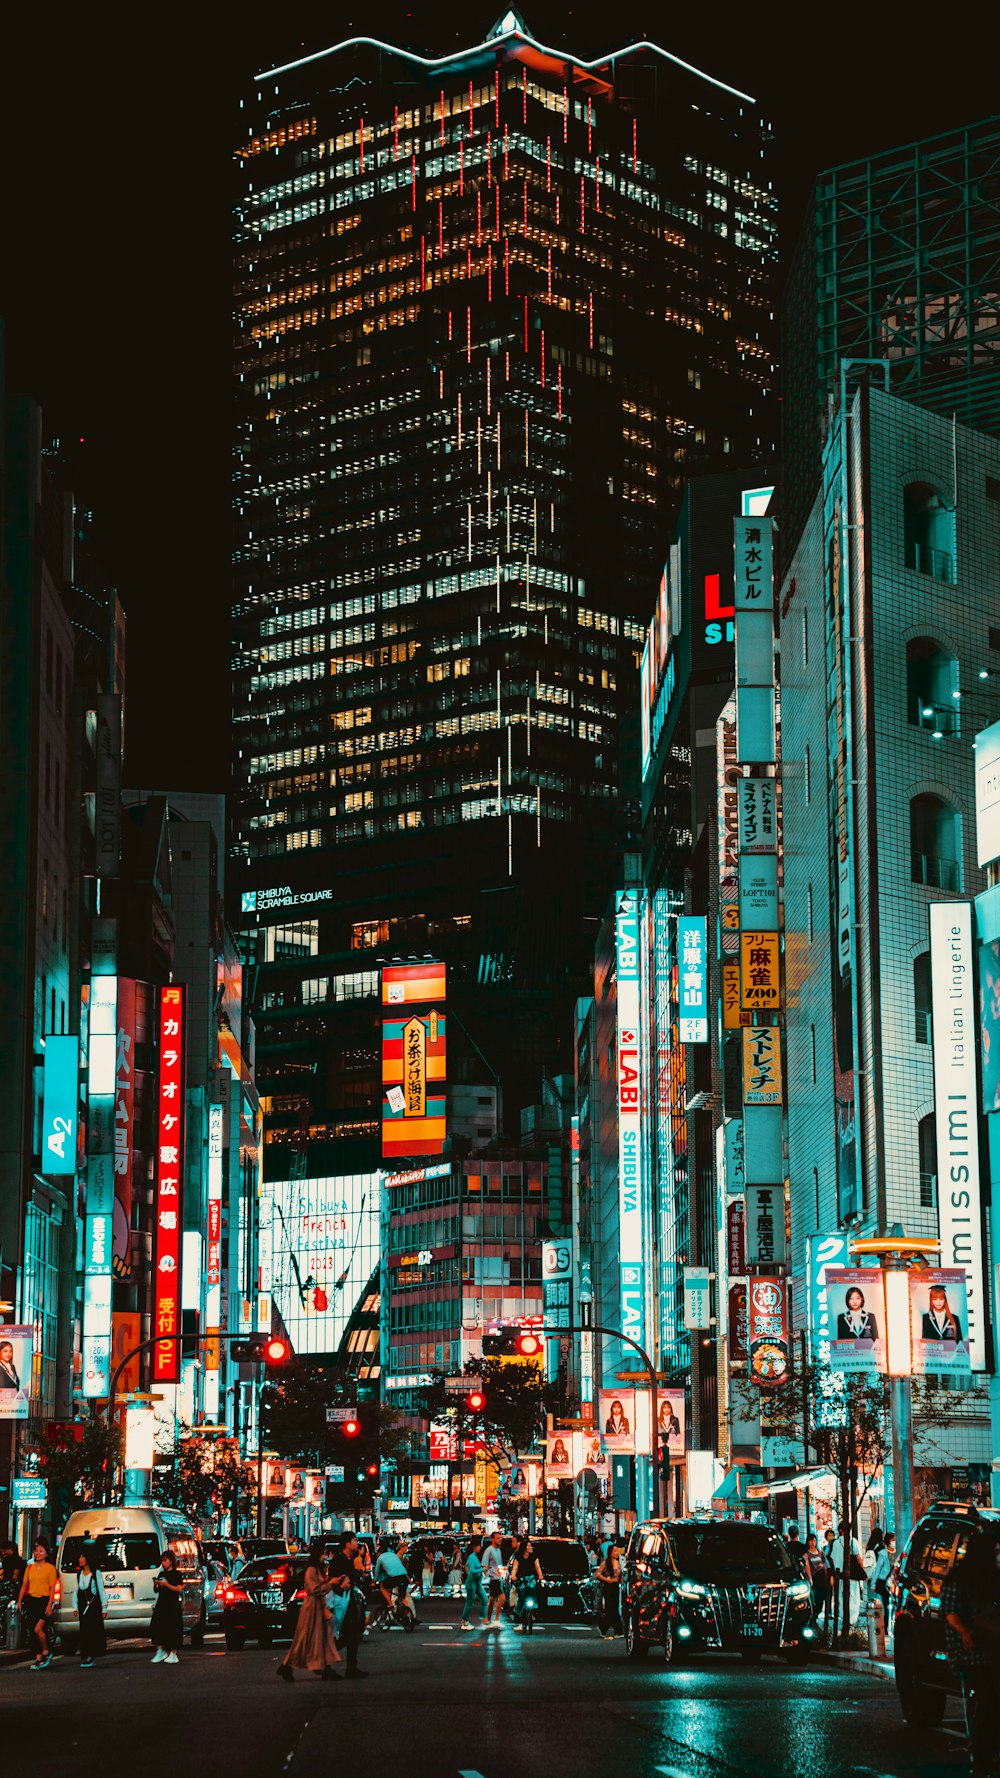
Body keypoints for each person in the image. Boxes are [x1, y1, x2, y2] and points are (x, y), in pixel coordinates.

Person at [943, 1528, 1000, 1777]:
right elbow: (950, 1611)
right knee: (985, 1701)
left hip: (991, 1648)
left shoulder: (992, 1577)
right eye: (996, 1552)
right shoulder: (959, 1579)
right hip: (973, 1651)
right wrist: (965, 1632)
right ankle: (981, 1755)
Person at [278, 1539, 340, 1682]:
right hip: (312, 1607)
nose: (325, 1555)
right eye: (323, 1552)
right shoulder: (312, 1570)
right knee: (306, 1639)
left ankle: (325, 1667)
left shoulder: (318, 1568)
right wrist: (330, 1584)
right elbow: (314, 1589)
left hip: (318, 1606)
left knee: (322, 1638)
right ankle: (289, 1665)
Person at [327, 1530, 367, 1679]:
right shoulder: (339, 1560)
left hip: (346, 1601)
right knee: (343, 1635)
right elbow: (333, 1580)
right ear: (347, 1543)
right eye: (355, 1541)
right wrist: (341, 1583)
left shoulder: (349, 1559)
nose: (357, 1543)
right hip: (338, 1602)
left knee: (352, 1634)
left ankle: (351, 1667)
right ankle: (327, 1662)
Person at [17, 1538, 57, 1669]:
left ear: (46, 1553)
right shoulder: (30, 1568)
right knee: (33, 1630)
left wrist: (49, 1605)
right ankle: (38, 1656)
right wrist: (19, 1602)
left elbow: (52, 1588)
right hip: (31, 1601)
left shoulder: (50, 1569)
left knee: (38, 1629)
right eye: (36, 1550)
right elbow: (24, 1585)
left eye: (41, 1551)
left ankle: (46, 1651)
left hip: (44, 1600)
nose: (37, 1553)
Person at [149, 1547, 185, 1665]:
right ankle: (160, 1650)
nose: (163, 1563)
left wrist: (166, 1584)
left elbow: (179, 1589)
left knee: (172, 1628)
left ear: (170, 1561)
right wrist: (157, 1585)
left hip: (172, 1604)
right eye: (162, 1561)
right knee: (157, 1625)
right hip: (162, 1603)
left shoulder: (176, 1574)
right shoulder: (161, 1573)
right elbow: (156, 1591)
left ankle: (173, 1653)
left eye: (165, 1560)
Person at [77, 1542, 107, 1667]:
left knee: (93, 1630)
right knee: (84, 1630)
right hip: (83, 1605)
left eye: (82, 1557)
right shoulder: (79, 1574)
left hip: (93, 1606)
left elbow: (101, 1590)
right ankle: (86, 1654)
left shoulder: (96, 1573)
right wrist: (74, 1606)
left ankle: (92, 1655)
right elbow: (75, 1591)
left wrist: (104, 1607)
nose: (80, 1559)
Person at [509, 1537, 543, 1629]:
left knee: (533, 1591)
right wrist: (513, 1576)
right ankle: (519, 1613)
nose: (530, 1547)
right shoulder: (518, 1557)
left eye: (530, 1546)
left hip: (531, 1577)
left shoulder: (534, 1556)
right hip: (521, 1577)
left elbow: (537, 1567)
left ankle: (533, 1611)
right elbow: (515, 1568)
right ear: (524, 1548)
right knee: (521, 1595)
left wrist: (540, 1575)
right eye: (528, 1546)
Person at [373, 1538, 410, 1622]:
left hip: (395, 1577)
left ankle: (390, 1604)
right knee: (402, 1597)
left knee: (382, 1587)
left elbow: (377, 1572)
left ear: (379, 1553)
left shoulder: (380, 1559)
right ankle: (408, 1614)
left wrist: (374, 1582)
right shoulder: (393, 1555)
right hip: (404, 1577)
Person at [595, 1544, 623, 1639]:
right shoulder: (605, 1563)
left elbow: (621, 1576)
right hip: (608, 1587)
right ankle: (618, 1630)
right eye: (614, 1551)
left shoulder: (618, 1563)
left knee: (613, 1608)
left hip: (615, 1587)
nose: (616, 1553)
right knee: (611, 1608)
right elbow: (597, 1574)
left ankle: (604, 1627)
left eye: (617, 1551)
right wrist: (607, 1580)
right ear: (610, 1553)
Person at [804, 1533, 831, 1623]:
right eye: (811, 1540)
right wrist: (810, 1578)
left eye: (814, 1540)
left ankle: (815, 1619)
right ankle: (813, 1620)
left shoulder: (820, 1552)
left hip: (822, 1578)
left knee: (822, 1600)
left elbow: (826, 1563)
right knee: (816, 1600)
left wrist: (823, 1565)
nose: (812, 1543)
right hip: (815, 1579)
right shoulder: (807, 1554)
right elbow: (807, 1567)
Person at [461, 1537, 487, 1630]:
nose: (480, 1548)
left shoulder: (475, 1557)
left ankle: (484, 1619)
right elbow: (472, 1570)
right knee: (470, 1602)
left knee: (484, 1599)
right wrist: (483, 1569)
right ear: (474, 1547)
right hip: (471, 1583)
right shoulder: (472, 1557)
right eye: (479, 1546)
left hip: (477, 1582)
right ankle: (465, 1621)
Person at [482, 1530, 506, 1630]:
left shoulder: (498, 1551)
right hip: (493, 1578)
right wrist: (487, 1573)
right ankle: (496, 1619)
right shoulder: (489, 1550)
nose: (499, 1540)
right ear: (492, 1539)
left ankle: (487, 1619)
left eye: (500, 1538)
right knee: (502, 1598)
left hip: (498, 1578)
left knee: (492, 1600)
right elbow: (484, 1564)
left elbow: (498, 1565)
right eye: (497, 1538)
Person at [872, 1533, 895, 1631]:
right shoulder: (883, 1553)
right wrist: (873, 1583)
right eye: (893, 1540)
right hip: (883, 1582)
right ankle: (885, 1627)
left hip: (894, 1583)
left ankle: (891, 1626)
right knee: (886, 1605)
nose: (894, 1542)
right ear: (889, 1541)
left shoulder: (898, 1552)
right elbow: (877, 1569)